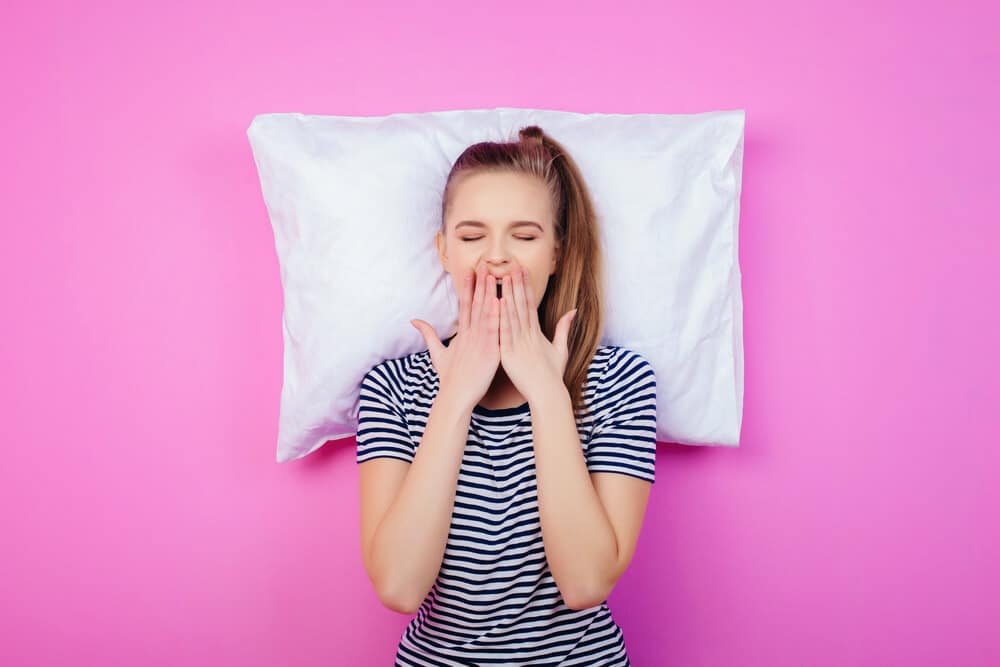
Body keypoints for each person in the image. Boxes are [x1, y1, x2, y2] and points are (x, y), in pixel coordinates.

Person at [356, 125, 657, 666]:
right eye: (472, 237)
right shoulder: (392, 388)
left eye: (524, 236)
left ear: (557, 254)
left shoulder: (622, 383)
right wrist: (454, 400)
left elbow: (586, 582)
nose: (497, 258)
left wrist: (546, 394)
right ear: (444, 252)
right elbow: (399, 588)